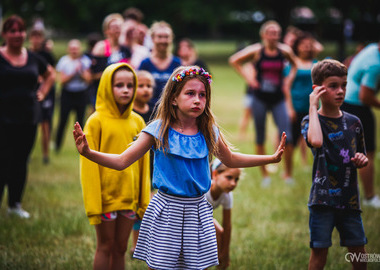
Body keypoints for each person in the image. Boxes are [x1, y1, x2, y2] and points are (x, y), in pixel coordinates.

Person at [73, 65, 286, 269]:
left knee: (196, 265)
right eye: (190, 93)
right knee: (161, 266)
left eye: (202, 95)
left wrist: (271, 158)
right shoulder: (158, 130)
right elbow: (122, 161)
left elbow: (230, 159)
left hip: (198, 211)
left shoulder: (209, 130)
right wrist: (89, 153)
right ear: (173, 98)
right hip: (167, 211)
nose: (197, 100)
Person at [79, 62, 151, 270]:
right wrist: (94, 203)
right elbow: (89, 165)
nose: (126, 90)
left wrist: (142, 199)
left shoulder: (138, 122)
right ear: (106, 88)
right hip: (105, 200)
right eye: (119, 85)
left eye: (130, 85)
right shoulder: (95, 121)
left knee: (120, 248)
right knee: (105, 246)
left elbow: (143, 164)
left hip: (128, 199)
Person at [301, 59, 368, 270]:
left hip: (349, 200)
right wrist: (313, 106)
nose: (340, 91)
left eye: (344, 85)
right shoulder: (309, 122)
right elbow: (317, 141)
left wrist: (361, 160)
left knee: (359, 253)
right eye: (333, 86)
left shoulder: (354, 122)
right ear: (318, 89)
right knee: (319, 253)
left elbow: (360, 155)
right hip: (322, 200)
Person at [229, 20, 297, 186]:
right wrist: (250, 79)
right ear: (263, 35)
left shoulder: (284, 51)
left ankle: (288, 174)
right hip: (259, 98)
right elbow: (234, 60)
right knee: (260, 136)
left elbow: (295, 65)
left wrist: (288, 81)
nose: (273, 36)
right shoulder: (257, 51)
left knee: (286, 135)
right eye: (270, 33)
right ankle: (265, 175)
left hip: (278, 99)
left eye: (276, 33)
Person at [0, 15, 55, 218]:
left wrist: (43, 91)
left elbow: (50, 73)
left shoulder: (33, 58)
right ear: (4, 34)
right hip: (3, 119)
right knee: (2, 161)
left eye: (20, 30)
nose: (17, 34)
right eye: (12, 30)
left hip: (28, 118)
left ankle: (15, 204)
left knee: (20, 161)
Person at [341, 42, 380, 208]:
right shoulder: (375, 65)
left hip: (345, 104)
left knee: (346, 152)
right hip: (356, 106)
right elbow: (365, 96)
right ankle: (370, 197)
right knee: (367, 153)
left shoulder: (372, 48)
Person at [284, 32, 320, 170]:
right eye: (304, 45)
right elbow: (286, 87)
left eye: (309, 45)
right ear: (297, 47)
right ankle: (288, 172)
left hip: (313, 108)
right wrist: (289, 108)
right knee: (290, 141)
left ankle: (316, 168)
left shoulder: (317, 64)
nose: (307, 48)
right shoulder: (293, 65)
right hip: (295, 106)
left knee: (315, 140)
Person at [130, 69, 155, 255]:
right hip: (133, 165)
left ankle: (148, 242)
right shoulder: (128, 113)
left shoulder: (156, 110)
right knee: (136, 206)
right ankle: (135, 244)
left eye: (149, 86)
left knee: (149, 205)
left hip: (153, 164)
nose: (146, 90)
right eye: (141, 86)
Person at [55, 39, 92, 152]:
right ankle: (57, 145)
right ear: (68, 50)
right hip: (67, 94)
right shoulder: (64, 61)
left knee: (80, 121)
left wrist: (80, 71)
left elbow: (88, 79)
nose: (74, 51)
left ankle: (82, 147)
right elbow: (62, 80)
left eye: (76, 49)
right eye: (72, 49)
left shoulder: (85, 61)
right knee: (63, 120)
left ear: (79, 49)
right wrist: (73, 73)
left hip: (81, 94)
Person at [90, 13, 132, 107]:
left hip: (120, 91)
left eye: (119, 27)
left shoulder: (125, 49)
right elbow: (93, 75)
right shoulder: (101, 48)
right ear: (106, 30)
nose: (117, 29)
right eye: (114, 27)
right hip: (102, 91)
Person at [206, 159, 242, 269]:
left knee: (221, 233)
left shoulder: (227, 195)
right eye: (229, 177)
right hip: (185, 220)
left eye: (236, 179)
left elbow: (227, 225)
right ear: (215, 174)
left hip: (201, 220)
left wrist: (225, 252)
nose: (233, 183)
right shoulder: (204, 190)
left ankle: (220, 264)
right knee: (215, 232)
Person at [28, 28, 57, 164]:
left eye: (38, 37)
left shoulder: (46, 55)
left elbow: (52, 73)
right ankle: (26, 153)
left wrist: (44, 88)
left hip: (44, 93)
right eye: (33, 36)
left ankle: (46, 154)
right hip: (29, 92)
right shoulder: (25, 54)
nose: (36, 40)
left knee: (45, 124)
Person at [138, 21, 181, 106]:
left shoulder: (177, 63)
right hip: (149, 111)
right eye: (160, 37)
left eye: (166, 37)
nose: (163, 40)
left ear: (171, 39)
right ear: (153, 38)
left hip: (171, 109)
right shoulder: (145, 63)